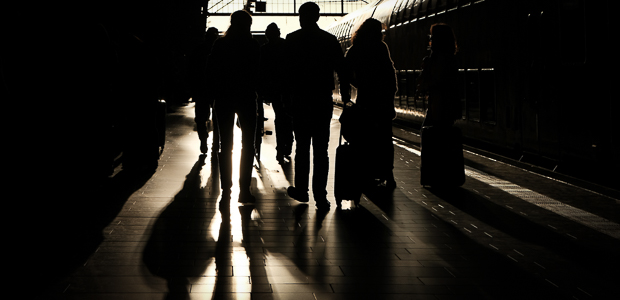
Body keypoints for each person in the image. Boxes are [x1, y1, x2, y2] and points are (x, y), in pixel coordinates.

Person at [285, 2, 350, 210]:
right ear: (318, 17)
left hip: (300, 100)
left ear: (301, 17)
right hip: (322, 100)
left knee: (302, 147)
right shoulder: (329, 40)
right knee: (321, 150)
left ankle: (302, 190)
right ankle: (321, 196)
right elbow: (342, 70)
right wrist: (346, 94)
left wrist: (286, 99)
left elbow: (285, 74)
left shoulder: (292, 39)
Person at [207, 10, 260, 203]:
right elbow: (258, 73)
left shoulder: (220, 44)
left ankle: (226, 189)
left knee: (225, 145)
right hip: (246, 97)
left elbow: (211, 71)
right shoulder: (252, 45)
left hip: (224, 98)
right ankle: (244, 190)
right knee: (248, 145)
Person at [342, 18, 397, 189]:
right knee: (385, 138)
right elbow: (389, 73)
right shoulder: (381, 48)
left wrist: (349, 92)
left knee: (365, 137)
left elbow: (345, 73)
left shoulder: (354, 50)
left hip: (365, 100)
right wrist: (391, 95)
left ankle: (366, 172)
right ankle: (388, 174)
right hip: (382, 100)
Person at [258, 23, 293, 163]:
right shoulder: (287, 46)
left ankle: (281, 148)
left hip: (273, 89)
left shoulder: (263, 50)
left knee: (279, 117)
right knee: (287, 118)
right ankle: (287, 145)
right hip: (287, 88)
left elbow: (261, 71)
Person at [417, 23, 460, 128]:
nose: (430, 41)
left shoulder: (437, 60)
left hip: (438, 107)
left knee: (429, 133)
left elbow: (435, 81)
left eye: (432, 38)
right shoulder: (451, 58)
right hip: (449, 108)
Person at [191, 27, 219, 154]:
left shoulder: (198, 49)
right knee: (218, 118)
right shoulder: (219, 49)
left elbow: (191, 69)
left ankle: (203, 140)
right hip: (216, 88)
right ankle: (216, 143)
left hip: (200, 88)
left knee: (201, 118)